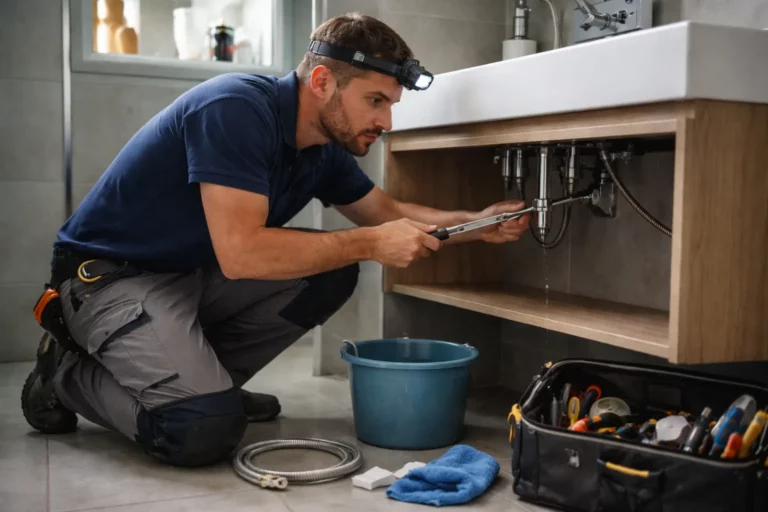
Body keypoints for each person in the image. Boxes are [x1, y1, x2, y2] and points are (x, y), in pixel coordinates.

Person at [21, 12, 530, 467]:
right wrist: (371, 243)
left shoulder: (322, 147)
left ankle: (203, 384)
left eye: (390, 104)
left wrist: (477, 222)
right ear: (323, 80)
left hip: (191, 276)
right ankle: (66, 376)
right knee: (198, 432)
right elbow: (242, 254)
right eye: (375, 101)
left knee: (330, 272)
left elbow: (388, 212)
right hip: (108, 280)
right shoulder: (234, 109)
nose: (386, 121)